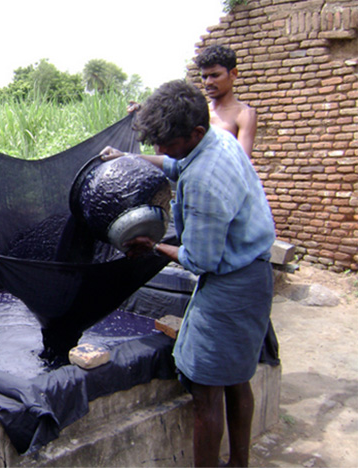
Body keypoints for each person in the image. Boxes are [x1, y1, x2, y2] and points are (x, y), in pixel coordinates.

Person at [101, 80, 276, 467]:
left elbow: (200, 260)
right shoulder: (218, 141)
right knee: (236, 378)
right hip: (256, 275)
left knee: (206, 389)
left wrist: (152, 245)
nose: (159, 151)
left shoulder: (204, 182)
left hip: (231, 286)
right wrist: (129, 158)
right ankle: (240, 462)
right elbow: (176, 162)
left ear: (195, 132)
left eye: (165, 143)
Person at [195, 44, 257, 156]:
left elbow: (241, 162)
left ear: (233, 74)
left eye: (215, 75)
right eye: (204, 77)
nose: (208, 82)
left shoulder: (244, 115)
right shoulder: (198, 113)